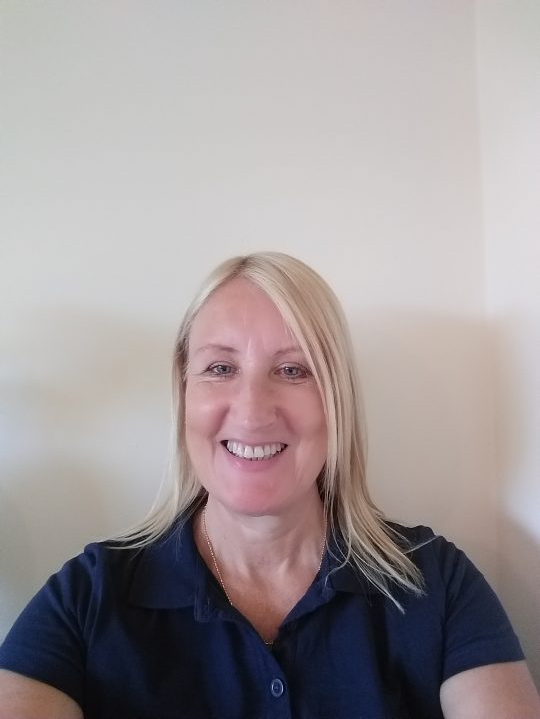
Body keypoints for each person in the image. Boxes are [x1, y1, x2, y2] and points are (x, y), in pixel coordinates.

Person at [0, 252, 538, 718]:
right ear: (184, 393)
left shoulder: (437, 584)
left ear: (337, 400)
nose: (252, 412)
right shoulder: (86, 598)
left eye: (293, 370)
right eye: (220, 368)